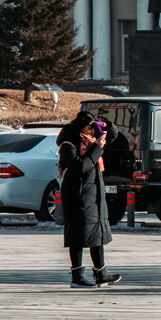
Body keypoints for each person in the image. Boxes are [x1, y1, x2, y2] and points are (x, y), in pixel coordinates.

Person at [57, 112, 122, 288]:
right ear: (80, 128)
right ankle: (77, 276)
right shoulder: (68, 145)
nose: (93, 131)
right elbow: (81, 166)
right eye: (90, 127)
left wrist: (105, 125)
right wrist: (97, 148)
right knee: (78, 235)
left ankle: (101, 274)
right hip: (77, 197)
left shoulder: (92, 142)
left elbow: (114, 134)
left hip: (93, 196)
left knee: (97, 234)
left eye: (94, 127)